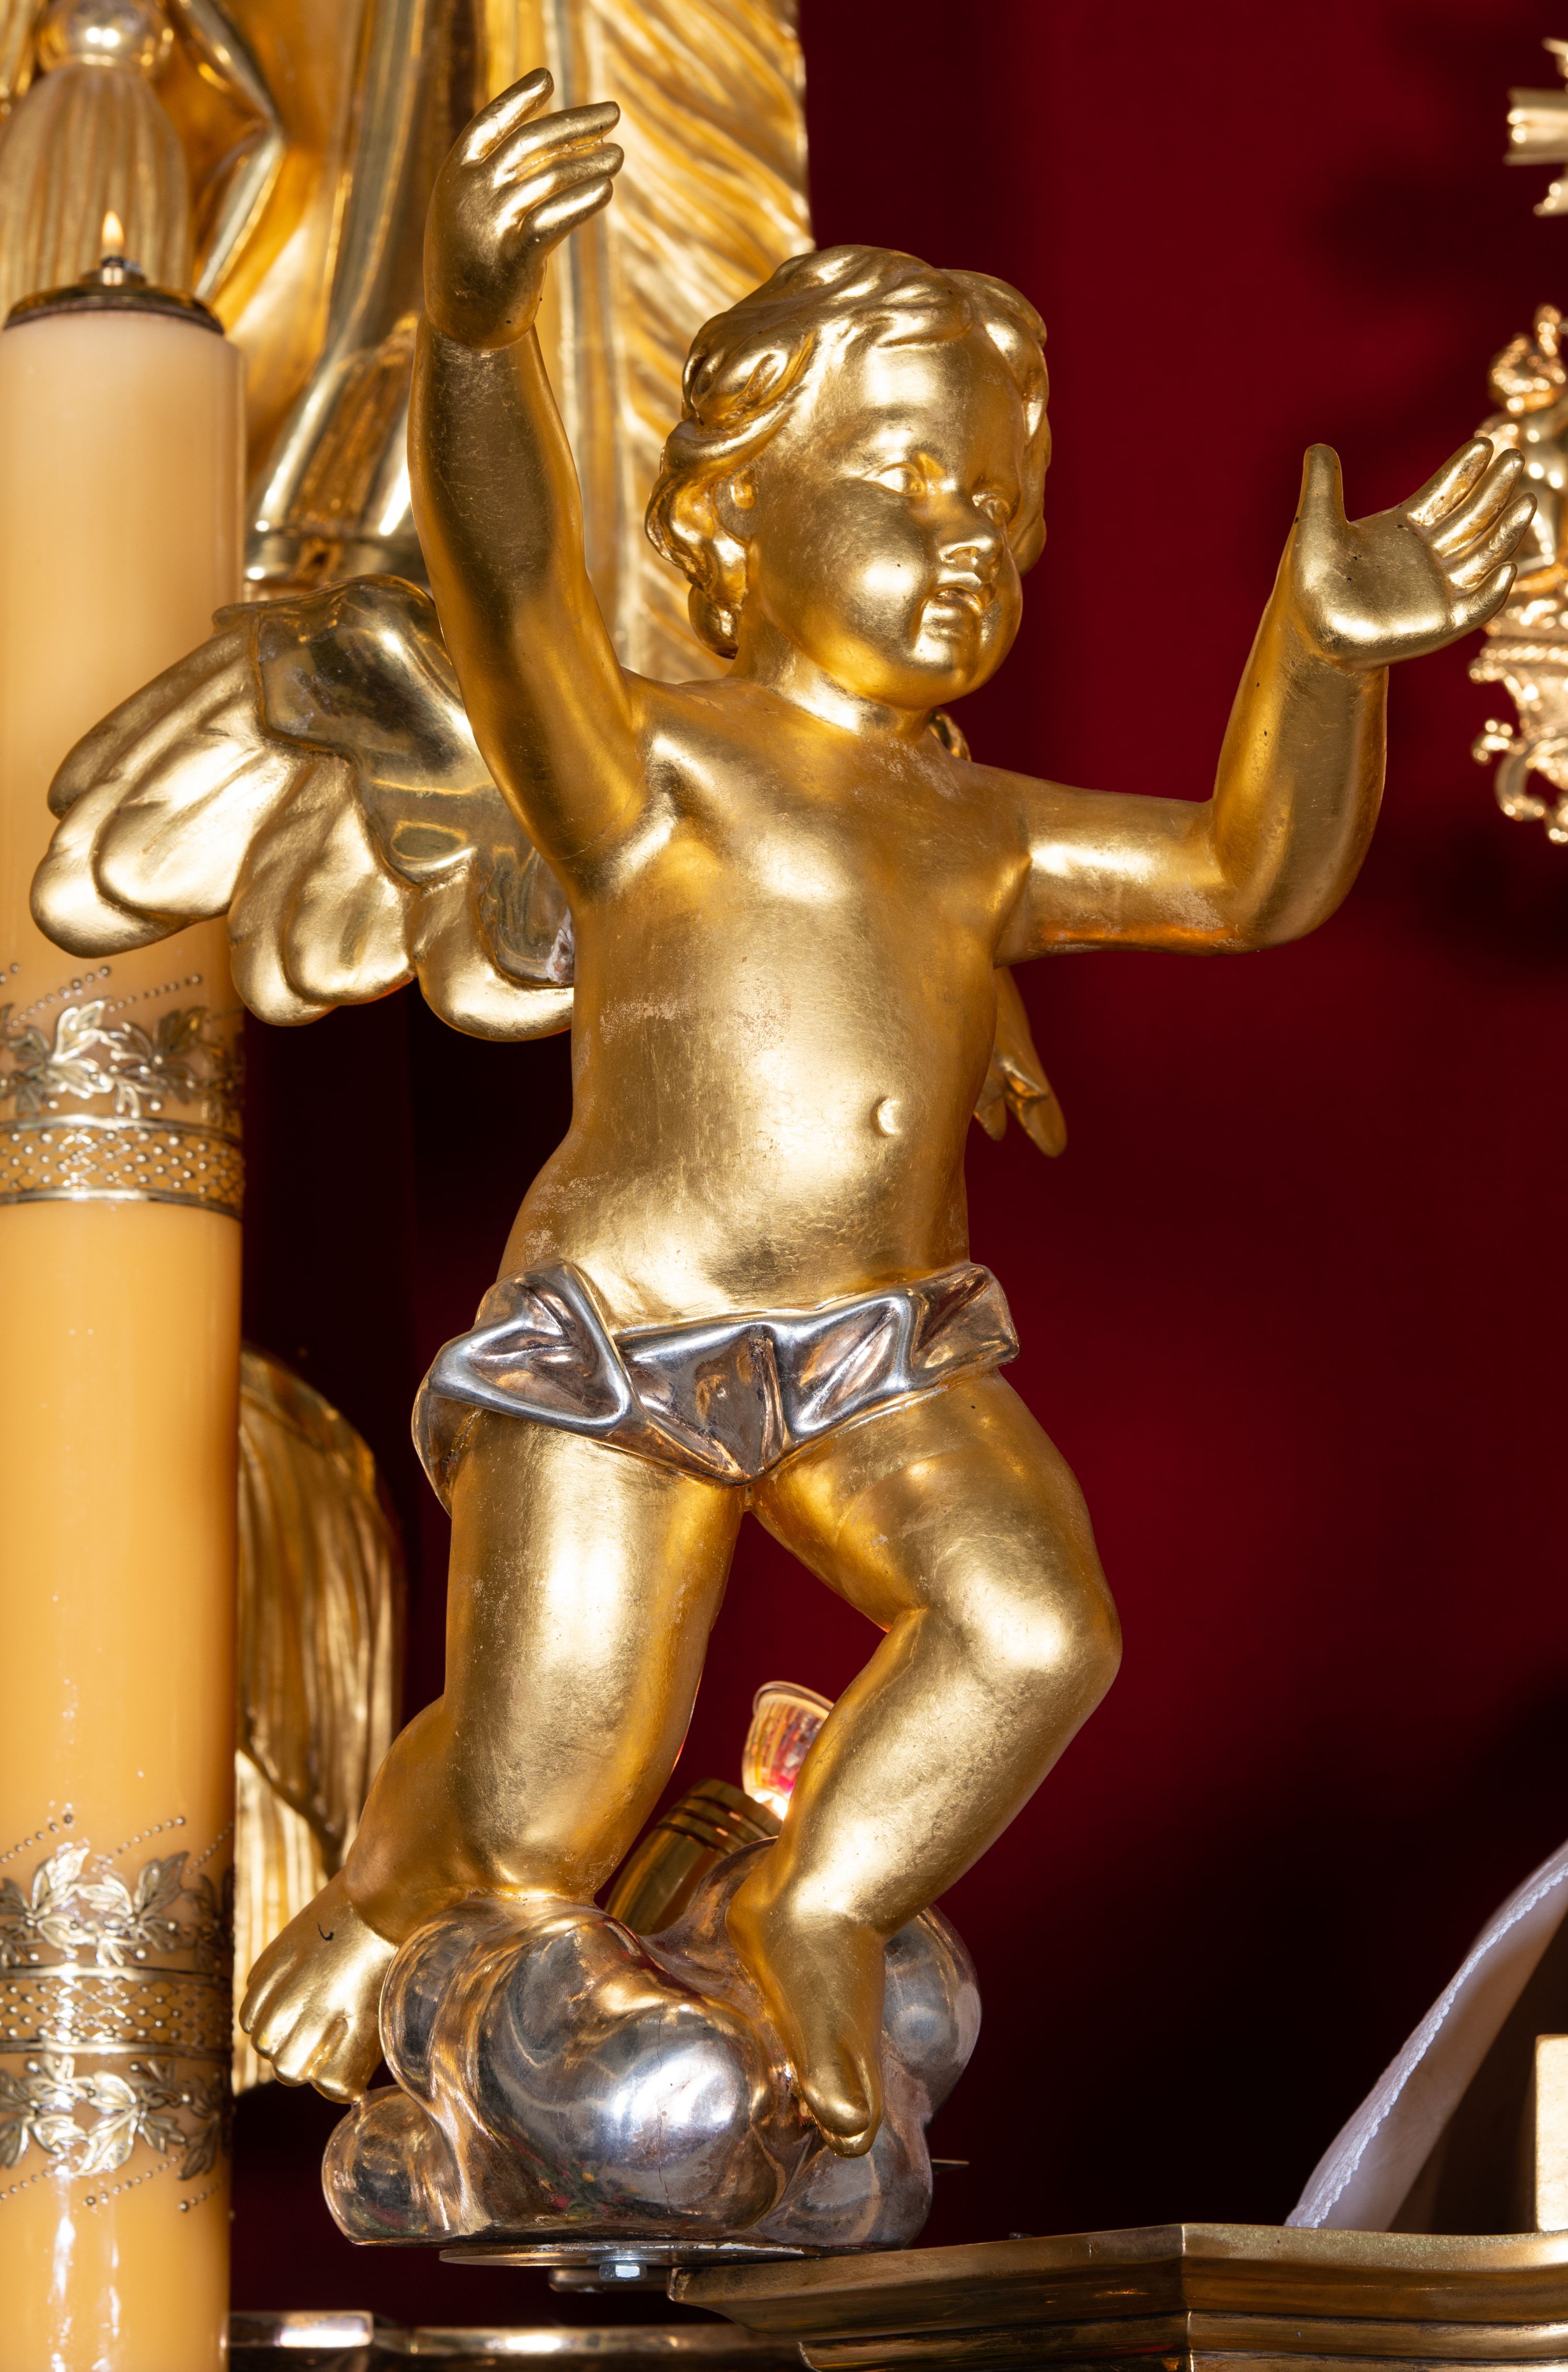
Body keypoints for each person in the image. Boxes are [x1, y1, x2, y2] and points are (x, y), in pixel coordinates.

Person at [234, 71, 1532, 2161]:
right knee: (542, 1795)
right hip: (629, 1341)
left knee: (1036, 1620)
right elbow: (507, 585)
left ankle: (818, 1898)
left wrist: (1325, 651)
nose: (972, 542)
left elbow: (1248, 877)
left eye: (1006, 511)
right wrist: (472, 333)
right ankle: (393, 1894)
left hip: (878, 1347)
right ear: (738, 518)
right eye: (915, 487)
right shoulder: (656, 767)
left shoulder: (977, 827)